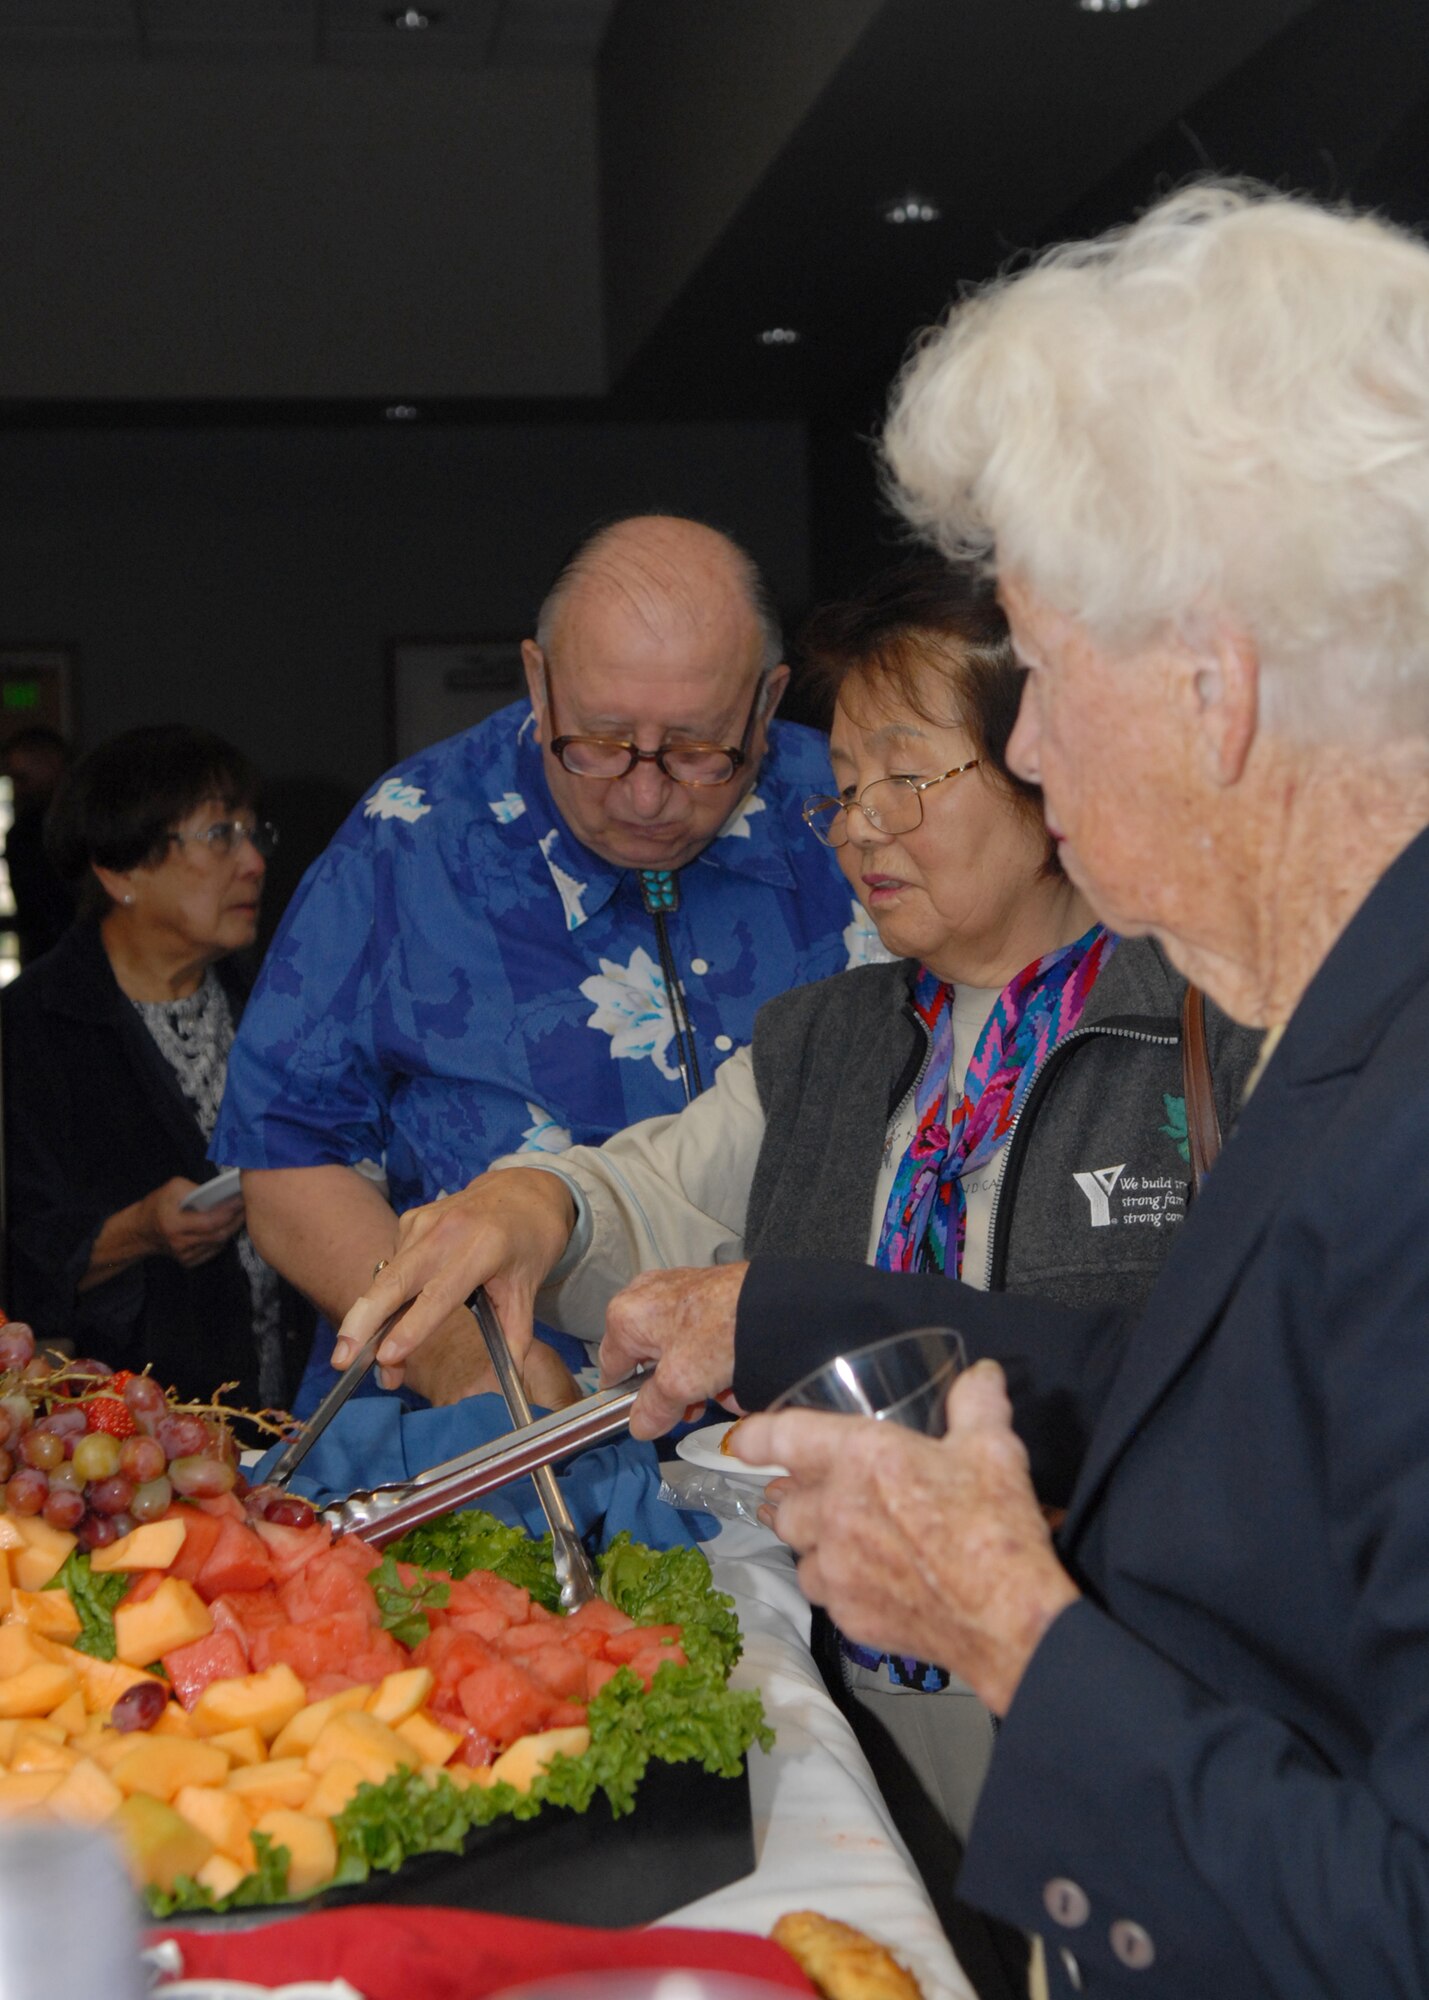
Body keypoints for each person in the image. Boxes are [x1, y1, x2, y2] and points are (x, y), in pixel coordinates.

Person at [528, 186, 1429, 1998]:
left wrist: (1014, 1636)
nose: (1022, 751)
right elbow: (1220, 1425)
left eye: (1038, 677)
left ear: (1208, 687)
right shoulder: (1342, 1024)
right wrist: (783, 1313)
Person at [326, 558, 1257, 1894]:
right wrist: (535, 1206)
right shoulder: (836, 1036)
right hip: (855, 1679)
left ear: (1051, 766)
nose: (861, 828)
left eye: (908, 778)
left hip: (1110, 1680)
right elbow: (668, 1187)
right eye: (847, 791)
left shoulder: (1204, 1031)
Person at [213, 513, 861, 1413]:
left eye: (697, 749)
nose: (644, 793)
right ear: (537, 681)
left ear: (766, 700)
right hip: (494, 1425)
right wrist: (462, 1363)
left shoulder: (854, 815)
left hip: (812, 1422)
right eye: (596, 739)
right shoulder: (409, 839)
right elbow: (287, 1158)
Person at [3, 726, 309, 1409]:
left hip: (294, 1407)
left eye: (255, 833)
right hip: (131, 1426)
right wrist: (135, 1230)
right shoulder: (30, 1029)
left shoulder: (270, 1000)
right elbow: (21, 1252)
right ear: (122, 872)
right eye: (220, 836)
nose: (254, 861)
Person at [2, 725, 74, 967]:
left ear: (53, 763)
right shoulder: (26, 831)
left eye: (22, 778)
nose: (18, 788)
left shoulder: (29, 832)